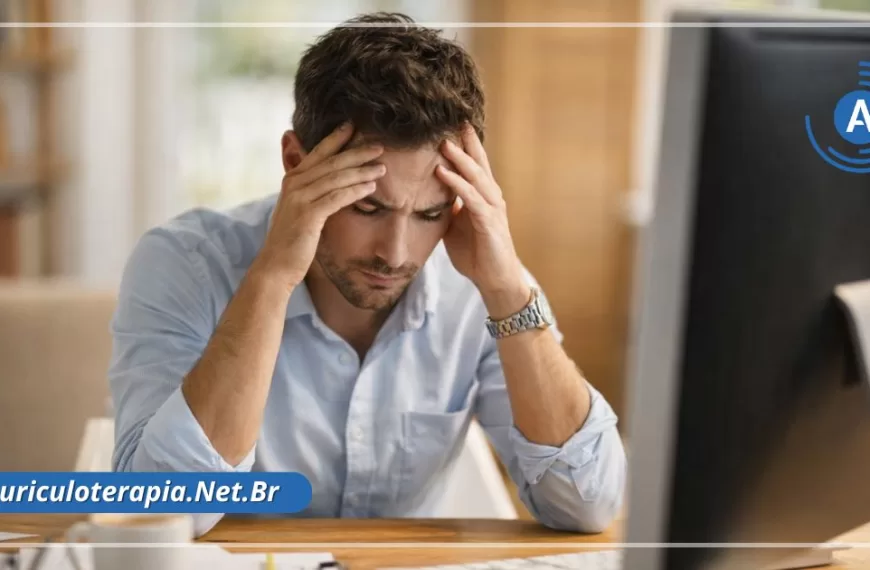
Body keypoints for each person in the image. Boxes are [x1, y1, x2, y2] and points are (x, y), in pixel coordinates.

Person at [108, 12, 626, 537]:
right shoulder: (183, 265)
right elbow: (155, 512)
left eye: (429, 214)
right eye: (368, 207)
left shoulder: (481, 288)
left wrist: (509, 292)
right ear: (295, 161)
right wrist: (271, 279)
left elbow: (587, 504)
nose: (396, 254)